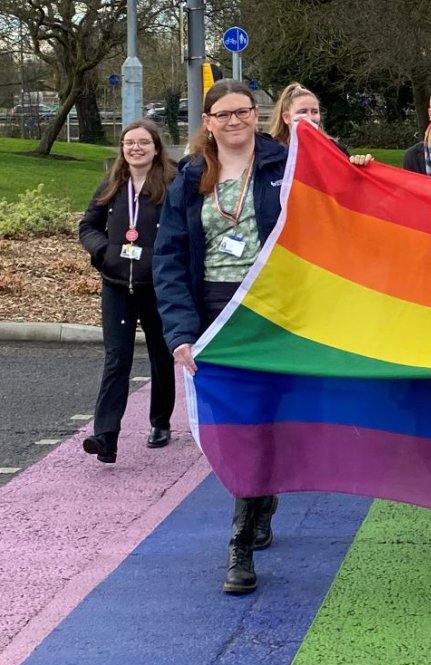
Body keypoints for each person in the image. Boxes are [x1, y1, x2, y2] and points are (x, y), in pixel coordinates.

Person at [153, 79, 287, 596]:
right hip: (213, 311)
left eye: (244, 112)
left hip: (270, 313)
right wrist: (180, 333)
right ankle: (242, 536)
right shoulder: (189, 178)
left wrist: (359, 170)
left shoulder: (285, 166)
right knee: (235, 426)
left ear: (257, 115)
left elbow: (335, 205)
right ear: (207, 122)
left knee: (262, 421)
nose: (235, 122)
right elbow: (167, 259)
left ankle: (253, 513)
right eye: (223, 115)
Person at [77, 120, 177, 464]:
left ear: (155, 147)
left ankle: (160, 421)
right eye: (129, 143)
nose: (136, 148)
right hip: (118, 284)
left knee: (161, 356)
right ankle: (105, 437)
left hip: (158, 286)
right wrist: (103, 251)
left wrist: (166, 262)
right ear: (122, 148)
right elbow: (88, 225)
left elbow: (185, 230)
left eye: (143, 143)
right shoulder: (113, 183)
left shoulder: (171, 181)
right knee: (116, 358)